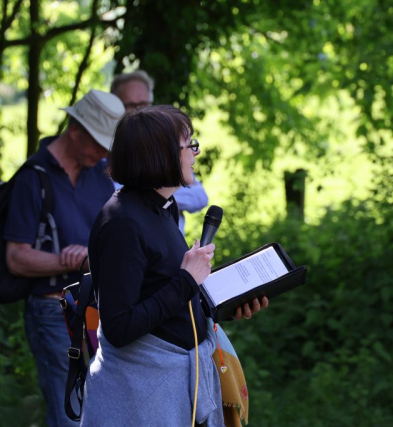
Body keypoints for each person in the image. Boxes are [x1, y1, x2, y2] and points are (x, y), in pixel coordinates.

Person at [80, 105, 268, 426]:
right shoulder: (122, 223)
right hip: (139, 398)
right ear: (161, 154)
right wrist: (186, 279)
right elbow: (120, 327)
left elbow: (161, 295)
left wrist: (223, 306)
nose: (195, 153)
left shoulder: (164, 208)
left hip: (173, 394)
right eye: (189, 145)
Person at [4, 89, 124, 427]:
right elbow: (16, 258)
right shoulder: (33, 177)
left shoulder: (101, 173)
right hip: (54, 313)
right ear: (75, 129)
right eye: (99, 143)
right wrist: (67, 261)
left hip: (99, 311)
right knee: (71, 417)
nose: (104, 152)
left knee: (103, 414)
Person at [110, 70, 209, 235]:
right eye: (131, 105)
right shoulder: (127, 223)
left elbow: (200, 197)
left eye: (144, 104)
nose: (138, 111)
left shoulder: (166, 207)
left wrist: (160, 196)